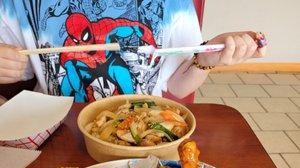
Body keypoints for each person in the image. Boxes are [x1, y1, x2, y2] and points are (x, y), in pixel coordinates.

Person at [0, 0, 266, 102]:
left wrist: (206, 59)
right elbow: (18, 65)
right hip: (53, 132)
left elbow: (179, 86)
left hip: (142, 132)